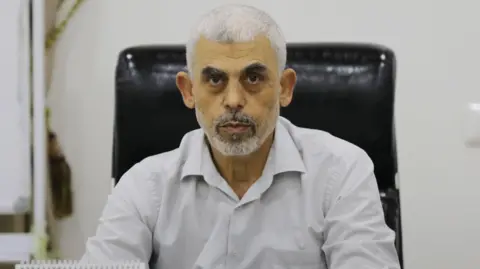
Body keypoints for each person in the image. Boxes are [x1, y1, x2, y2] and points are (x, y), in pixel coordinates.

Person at [82, 4, 400, 269]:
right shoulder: (145, 186)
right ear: (188, 90)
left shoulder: (341, 172)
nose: (234, 100)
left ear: (285, 87)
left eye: (253, 77)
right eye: (215, 79)